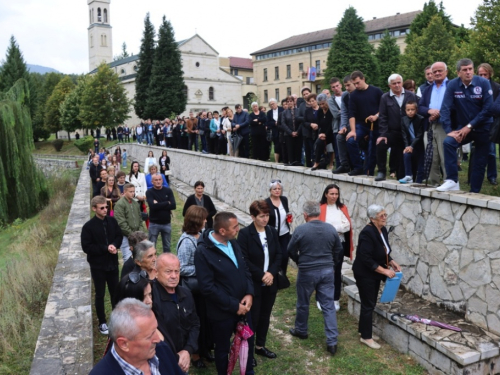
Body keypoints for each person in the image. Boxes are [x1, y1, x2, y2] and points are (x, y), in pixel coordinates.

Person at [195, 212, 255, 375]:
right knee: (222, 350)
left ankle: (248, 371)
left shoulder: (233, 243)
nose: (238, 229)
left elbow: (245, 269)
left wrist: (249, 293)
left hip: (244, 307)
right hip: (222, 312)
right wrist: (233, 305)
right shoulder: (203, 252)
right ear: (222, 231)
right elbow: (207, 287)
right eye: (234, 227)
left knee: (248, 342)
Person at [288, 201, 343, 356]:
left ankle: (301, 330)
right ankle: (332, 342)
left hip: (307, 271)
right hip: (327, 271)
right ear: (319, 213)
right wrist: (331, 263)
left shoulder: (300, 230)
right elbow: (338, 250)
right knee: (328, 306)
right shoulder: (330, 229)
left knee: (303, 302)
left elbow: (290, 249)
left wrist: (299, 261)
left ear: (305, 215)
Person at [438, 58, 493, 193]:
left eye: (470, 69)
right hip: (463, 127)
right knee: (449, 142)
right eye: (465, 70)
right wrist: (448, 130)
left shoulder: (484, 83)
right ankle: (452, 181)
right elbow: (445, 108)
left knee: (479, 162)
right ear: (458, 73)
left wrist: (470, 126)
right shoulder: (452, 85)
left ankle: (474, 192)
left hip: (483, 127)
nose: (468, 72)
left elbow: (488, 109)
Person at [89, 298, 184, 375]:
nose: (158, 339)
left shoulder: (162, 350)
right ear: (124, 344)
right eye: (149, 336)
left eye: (156, 330)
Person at [237, 200, 282, 362]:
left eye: (267, 215)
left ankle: (260, 346)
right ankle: (248, 351)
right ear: (253, 216)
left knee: (265, 315)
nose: (265, 219)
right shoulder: (245, 234)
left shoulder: (271, 231)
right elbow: (244, 260)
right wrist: (261, 274)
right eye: (261, 216)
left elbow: (278, 255)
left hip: (270, 283)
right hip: (254, 283)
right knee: (252, 317)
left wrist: (271, 273)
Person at [352, 204, 401, 349]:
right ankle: (366, 337)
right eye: (382, 216)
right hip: (365, 274)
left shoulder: (382, 229)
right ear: (373, 218)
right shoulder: (367, 233)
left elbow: (383, 250)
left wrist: (391, 262)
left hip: (373, 274)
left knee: (370, 302)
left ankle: (364, 331)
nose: (385, 218)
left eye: (385, 215)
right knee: (368, 304)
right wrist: (384, 271)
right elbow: (366, 258)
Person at [177, 206, 214, 367]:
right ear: (196, 221)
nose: (206, 221)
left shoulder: (202, 235)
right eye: (204, 218)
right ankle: (196, 355)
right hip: (193, 290)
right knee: (195, 321)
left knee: (206, 319)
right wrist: (204, 270)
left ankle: (206, 349)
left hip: (204, 288)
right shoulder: (186, 241)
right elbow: (183, 267)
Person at [81, 196, 123, 335]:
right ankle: (102, 322)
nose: (105, 210)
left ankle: (117, 319)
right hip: (98, 265)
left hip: (112, 263)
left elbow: (119, 235)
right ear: (94, 209)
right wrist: (105, 248)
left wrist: (115, 245)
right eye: (102, 208)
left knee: (115, 292)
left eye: (107, 207)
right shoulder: (88, 227)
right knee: (100, 293)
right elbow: (87, 247)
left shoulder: (112, 221)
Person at [152, 253, 200, 374]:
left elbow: (195, 324)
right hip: (160, 361)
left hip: (183, 359)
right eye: (168, 271)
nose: (174, 276)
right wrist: (174, 356)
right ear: (156, 272)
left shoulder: (186, 294)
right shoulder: (150, 298)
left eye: (177, 271)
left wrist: (187, 350)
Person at [375, 73, 417, 181]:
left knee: (402, 157)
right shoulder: (385, 97)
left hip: (407, 133)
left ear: (402, 83)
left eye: (399, 83)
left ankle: (404, 176)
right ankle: (381, 171)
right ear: (389, 85)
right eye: (394, 84)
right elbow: (383, 117)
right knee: (381, 144)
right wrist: (383, 134)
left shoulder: (410, 95)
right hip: (392, 132)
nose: (397, 85)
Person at [319, 184, 353, 312]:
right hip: (323, 244)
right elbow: (318, 225)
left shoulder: (342, 208)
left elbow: (347, 226)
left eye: (336, 194)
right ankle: (322, 297)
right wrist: (336, 229)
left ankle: (335, 298)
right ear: (326, 194)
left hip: (339, 243)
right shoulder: (321, 207)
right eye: (331, 194)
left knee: (336, 271)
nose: (334, 196)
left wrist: (331, 229)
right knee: (323, 271)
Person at [346, 71, 383, 176]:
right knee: (351, 141)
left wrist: (376, 116)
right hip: (361, 125)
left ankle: (370, 172)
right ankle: (358, 168)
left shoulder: (376, 91)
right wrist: (353, 131)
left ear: (363, 79)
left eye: (358, 83)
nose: (356, 86)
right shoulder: (353, 95)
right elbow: (351, 114)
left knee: (373, 149)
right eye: (354, 84)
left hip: (376, 125)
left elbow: (383, 108)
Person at [418, 61, 449, 186]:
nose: (437, 73)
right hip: (430, 126)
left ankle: (450, 182)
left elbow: (456, 106)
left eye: (440, 70)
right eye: (434, 71)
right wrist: (429, 111)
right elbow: (420, 107)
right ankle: (434, 184)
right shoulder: (427, 89)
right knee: (432, 157)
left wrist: (440, 112)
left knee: (445, 157)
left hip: (445, 126)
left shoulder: (452, 86)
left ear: (446, 72)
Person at [477, 63, 500, 185]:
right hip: (477, 121)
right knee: (476, 150)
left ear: (490, 74)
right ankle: (474, 176)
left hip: (491, 121)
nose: (482, 76)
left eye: (484, 74)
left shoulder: (496, 87)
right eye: (480, 74)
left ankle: (492, 176)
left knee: (491, 151)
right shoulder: (474, 86)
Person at [265, 179, 291, 275]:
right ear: (270, 190)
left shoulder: (284, 199)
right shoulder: (266, 202)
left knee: (285, 255)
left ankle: (282, 274)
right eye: (275, 189)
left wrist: (288, 219)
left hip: (284, 232)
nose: (277, 190)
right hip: (272, 234)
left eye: (279, 189)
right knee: (273, 255)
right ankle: (272, 273)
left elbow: (286, 212)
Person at [114, 183, 144, 262]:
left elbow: (140, 219)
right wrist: (132, 234)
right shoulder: (120, 204)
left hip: (137, 235)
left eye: (133, 191)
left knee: (138, 257)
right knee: (127, 258)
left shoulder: (135, 203)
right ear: (125, 192)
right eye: (130, 191)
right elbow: (121, 222)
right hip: (125, 236)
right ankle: (128, 274)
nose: (132, 193)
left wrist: (140, 233)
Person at [146, 174, 176, 253]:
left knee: (167, 247)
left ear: (162, 180)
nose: (158, 181)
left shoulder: (168, 191)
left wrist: (158, 204)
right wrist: (167, 203)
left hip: (166, 223)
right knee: (151, 247)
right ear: (152, 182)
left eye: (159, 179)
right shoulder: (149, 192)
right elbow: (152, 206)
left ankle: (166, 263)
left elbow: (173, 205)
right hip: (154, 223)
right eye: (156, 180)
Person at [333, 75, 356, 174]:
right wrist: (343, 127)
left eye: (349, 85)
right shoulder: (345, 96)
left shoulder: (359, 94)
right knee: (340, 137)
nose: (347, 88)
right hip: (349, 124)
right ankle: (344, 164)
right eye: (345, 86)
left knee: (352, 140)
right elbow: (344, 113)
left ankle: (357, 166)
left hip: (360, 124)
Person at [399, 102, 425, 184]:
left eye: (412, 109)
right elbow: (404, 135)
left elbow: (419, 135)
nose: (410, 111)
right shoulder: (403, 120)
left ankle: (419, 180)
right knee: (406, 154)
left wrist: (412, 146)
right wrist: (407, 146)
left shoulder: (421, 119)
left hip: (420, 144)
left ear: (416, 110)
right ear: (405, 110)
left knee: (421, 161)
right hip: (410, 144)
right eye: (408, 110)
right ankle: (408, 175)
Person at [310, 93, 334, 171]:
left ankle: (331, 163)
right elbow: (319, 123)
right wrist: (320, 134)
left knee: (331, 148)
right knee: (318, 143)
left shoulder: (331, 110)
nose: (322, 106)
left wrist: (325, 134)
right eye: (320, 104)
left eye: (323, 103)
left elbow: (331, 124)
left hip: (331, 133)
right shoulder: (320, 111)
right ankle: (317, 162)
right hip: (322, 133)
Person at [281, 95, 303, 166]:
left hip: (298, 134)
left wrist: (297, 132)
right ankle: (291, 163)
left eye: (291, 101)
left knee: (298, 150)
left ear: (294, 102)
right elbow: (283, 123)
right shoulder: (284, 112)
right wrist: (291, 132)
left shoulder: (299, 110)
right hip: (288, 135)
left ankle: (298, 163)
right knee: (290, 150)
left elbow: (302, 122)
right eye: (288, 101)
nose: (289, 103)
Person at [266, 98, 284, 163]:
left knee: (283, 145)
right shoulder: (269, 113)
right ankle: (277, 161)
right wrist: (274, 123)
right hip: (275, 131)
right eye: (270, 104)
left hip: (282, 130)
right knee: (276, 146)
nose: (272, 105)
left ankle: (284, 159)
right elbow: (268, 123)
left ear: (276, 103)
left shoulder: (282, 109)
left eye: (273, 104)